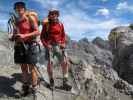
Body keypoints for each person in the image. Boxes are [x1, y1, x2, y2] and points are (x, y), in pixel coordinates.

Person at [11, 2, 40, 97]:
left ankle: (34, 88)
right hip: (20, 46)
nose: (18, 9)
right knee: (23, 67)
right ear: (15, 10)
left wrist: (24, 35)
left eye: (20, 8)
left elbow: (37, 31)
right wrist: (13, 37)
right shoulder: (16, 21)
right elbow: (16, 32)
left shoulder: (30, 18)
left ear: (24, 9)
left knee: (32, 68)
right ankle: (26, 88)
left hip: (30, 45)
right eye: (16, 8)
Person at [41, 9, 72, 91]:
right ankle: (51, 80)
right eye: (52, 14)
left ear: (57, 15)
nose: (54, 15)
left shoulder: (60, 24)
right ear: (49, 15)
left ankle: (65, 81)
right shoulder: (46, 25)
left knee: (65, 63)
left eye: (55, 14)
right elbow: (42, 37)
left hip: (59, 46)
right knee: (50, 64)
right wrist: (46, 45)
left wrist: (63, 43)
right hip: (50, 47)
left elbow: (63, 35)